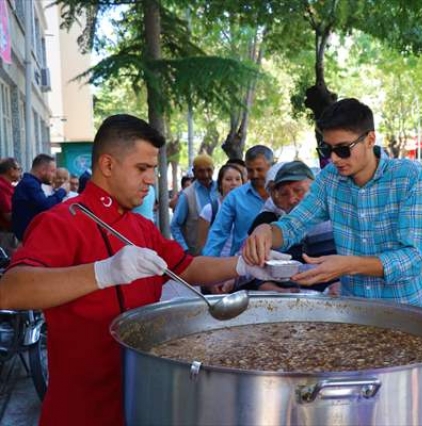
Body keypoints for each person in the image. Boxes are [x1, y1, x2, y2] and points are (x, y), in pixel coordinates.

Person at [0, 114, 282, 426]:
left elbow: (186, 267)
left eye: (153, 170)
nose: (151, 179)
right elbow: (11, 290)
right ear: (108, 166)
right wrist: (103, 272)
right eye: (142, 169)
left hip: (144, 400)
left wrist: (246, 265)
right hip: (82, 408)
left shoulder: (140, 227)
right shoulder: (63, 221)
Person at [242, 98, 422, 309]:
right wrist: (266, 231)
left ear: (370, 139)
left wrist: (349, 265)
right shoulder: (329, 179)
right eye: (326, 149)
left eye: (343, 149)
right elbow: (293, 225)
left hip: (406, 309)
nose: (334, 158)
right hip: (353, 311)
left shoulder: (408, 176)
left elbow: (414, 258)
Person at [245, 160, 339, 294]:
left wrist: (342, 283)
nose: (291, 199)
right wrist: (280, 292)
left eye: (298, 190)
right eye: (284, 194)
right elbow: (260, 278)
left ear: (314, 188)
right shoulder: (276, 227)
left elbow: (354, 265)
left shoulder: (335, 223)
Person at [203, 145, 273, 257]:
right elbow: (218, 234)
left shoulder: (285, 193)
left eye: (259, 170)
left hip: (284, 265)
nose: (254, 175)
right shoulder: (235, 197)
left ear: (271, 167)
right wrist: (206, 264)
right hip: (245, 265)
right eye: (250, 170)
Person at [12, 154, 67, 241]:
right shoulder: (30, 184)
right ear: (42, 170)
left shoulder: (31, 183)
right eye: (52, 171)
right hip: (28, 236)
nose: (54, 175)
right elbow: (46, 205)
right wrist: (62, 191)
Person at [170, 154, 216, 254]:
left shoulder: (220, 189)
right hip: (197, 255)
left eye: (209, 170)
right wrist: (185, 249)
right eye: (201, 171)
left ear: (213, 170)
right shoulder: (187, 195)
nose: (206, 175)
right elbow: (174, 225)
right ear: (194, 172)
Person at [0, 158, 21, 255]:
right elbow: (8, 215)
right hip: (5, 234)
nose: (20, 172)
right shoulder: (2, 187)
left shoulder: (9, 186)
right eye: (19, 169)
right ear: (11, 171)